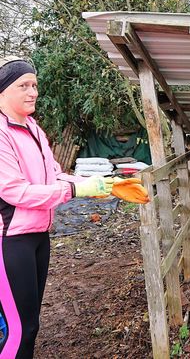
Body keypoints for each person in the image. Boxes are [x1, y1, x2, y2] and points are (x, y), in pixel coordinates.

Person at [0, 56, 114, 358]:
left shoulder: (34, 129)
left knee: (31, 325)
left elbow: (53, 174)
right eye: (23, 85)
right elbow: (14, 191)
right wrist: (74, 189)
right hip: (9, 241)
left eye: (35, 85)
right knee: (18, 329)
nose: (33, 92)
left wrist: (94, 184)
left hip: (39, 236)